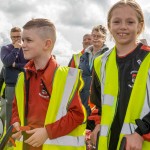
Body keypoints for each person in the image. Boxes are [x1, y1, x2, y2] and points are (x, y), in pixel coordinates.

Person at [11, 18, 86, 150]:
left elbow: (78, 115)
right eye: (23, 40)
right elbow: (16, 106)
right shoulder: (23, 76)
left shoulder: (65, 78)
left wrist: (47, 132)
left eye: (28, 40)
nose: (23, 44)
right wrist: (15, 121)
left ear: (47, 44)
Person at [90, 0, 150, 149]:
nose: (123, 26)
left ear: (140, 26)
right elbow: (96, 102)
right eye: (117, 22)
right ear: (109, 26)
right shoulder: (100, 62)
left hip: (140, 143)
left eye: (130, 22)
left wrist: (141, 133)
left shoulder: (148, 58)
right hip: (108, 142)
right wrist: (98, 123)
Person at [1, 27, 28, 130]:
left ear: (22, 36)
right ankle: (7, 137)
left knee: (24, 111)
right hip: (11, 86)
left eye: (18, 37)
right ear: (10, 37)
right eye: (14, 37)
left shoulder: (26, 49)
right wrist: (16, 48)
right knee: (9, 113)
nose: (16, 39)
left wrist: (15, 65)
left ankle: (20, 135)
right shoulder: (5, 48)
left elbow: (29, 65)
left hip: (25, 84)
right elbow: (7, 62)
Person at [79, 25, 108, 118]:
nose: (95, 38)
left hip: (99, 98)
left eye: (98, 36)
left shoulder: (108, 55)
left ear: (104, 38)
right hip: (83, 97)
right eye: (93, 35)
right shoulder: (84, 55)